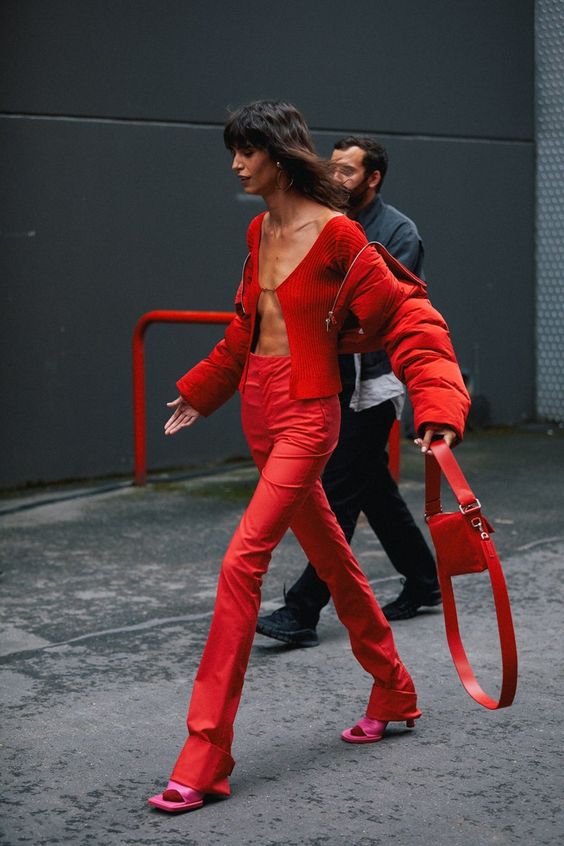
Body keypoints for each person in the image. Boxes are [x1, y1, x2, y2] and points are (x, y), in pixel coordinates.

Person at [147, 100, 470, 814]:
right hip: (259, 412)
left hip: (307, 415)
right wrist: (203, 390)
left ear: (281, 155)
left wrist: (438, 410)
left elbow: (410, 317)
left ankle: (204, 756)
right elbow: (246, 325)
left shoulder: (338, 234)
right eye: (234, 151)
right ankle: (395, 690)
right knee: (334, 560)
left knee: (242, 562)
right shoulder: (259, 228)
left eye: (247, 151)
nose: (237, 165)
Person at [256, 137, 441, 648]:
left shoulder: (398, 232)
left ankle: (302, 610)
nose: (335, 176)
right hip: (332, 378)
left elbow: (379, 308)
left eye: (347, 170)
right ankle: (424, 579)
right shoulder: (322, 220)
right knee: (372, 488)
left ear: (373, 177)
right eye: (332, 167)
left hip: (374, 384)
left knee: (338, 491)